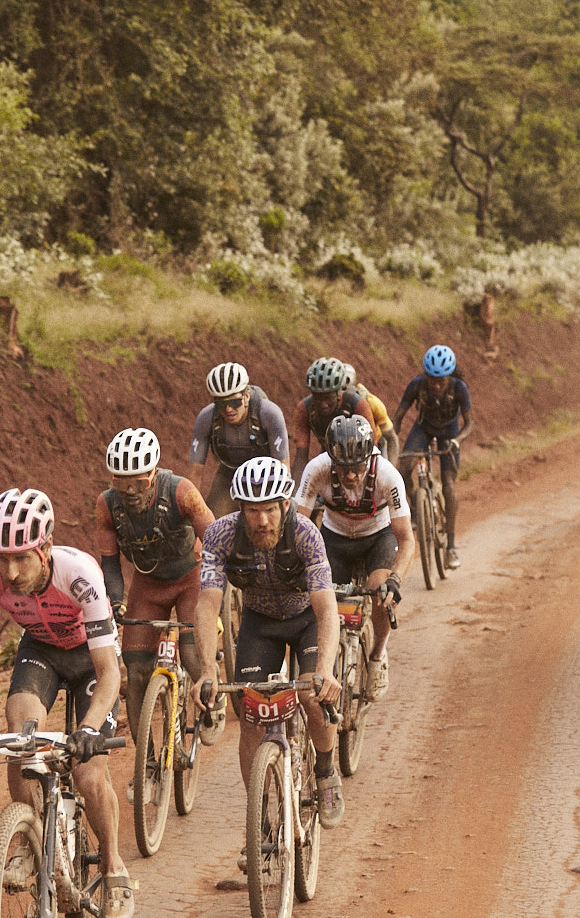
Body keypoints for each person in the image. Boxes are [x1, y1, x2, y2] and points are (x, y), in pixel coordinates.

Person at [0, 487, 135, 918]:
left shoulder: (80, 574)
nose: (10, 572)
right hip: (42, 652)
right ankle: (30, 838)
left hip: (91, 658)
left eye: (21, 558)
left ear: (45, 548)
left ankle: (113, 866)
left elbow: (109, 671)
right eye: (0, 558)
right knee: (20, 736)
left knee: (88, 773)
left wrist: (89, 730)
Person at [190, 457, 344, 830]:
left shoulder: (306, 534)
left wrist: (325, 669)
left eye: (270, 510)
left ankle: (326, 772)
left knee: (312, 695)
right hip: (260, 623)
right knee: (252, 715)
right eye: (253, 511)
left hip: (306, 619)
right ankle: (259, 822)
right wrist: (208, 669)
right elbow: (207, 604)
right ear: (240, 508)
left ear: (285, 505)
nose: (262, 520)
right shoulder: (221, 535)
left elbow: (327, 609)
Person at [94, 426, 213, 737]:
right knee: (135, 672)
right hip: (148, 586)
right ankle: (145, 759)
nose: (130, 490)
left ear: (154, 474)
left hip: (190, 578)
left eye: (139, 482)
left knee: (191, 655)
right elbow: (109, 562)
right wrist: (115, 600)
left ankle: (214, 701)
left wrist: (216, 589)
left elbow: (215, 541)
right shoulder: (106, 505)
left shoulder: (181, 491)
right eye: (121, 482)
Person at [296, 414, 414, 701]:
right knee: (319, 598)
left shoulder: (388, 476)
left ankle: (377, 656)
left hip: (378, 537)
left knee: (380, 592)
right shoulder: (317, 469)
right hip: (334, 538)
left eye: (357, 467)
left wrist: (396, 580)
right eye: (342, 468)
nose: (350, 476)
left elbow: (406, 539)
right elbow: (297, 526)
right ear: (331, 460)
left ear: (369, 459)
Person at [392, 344, 473, 569]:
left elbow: (470, 423)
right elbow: (398, 417)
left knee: (449, 486)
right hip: (423, 430)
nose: (436, 385)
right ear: (425, 375)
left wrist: (458, 440)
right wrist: (392, 439)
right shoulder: (417, 385)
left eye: (441, 380)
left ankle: (451, 548)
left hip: (450, 434)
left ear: (449, 377)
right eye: (431, 379)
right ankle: (416, 510)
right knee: (402, 470)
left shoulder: (459, 388)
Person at [187, 362, 291, 516]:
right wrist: (191, 513)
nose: (228, 409)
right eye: (221, 404)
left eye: (235, 402)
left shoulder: (269, 413)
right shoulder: (206, 418)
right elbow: (195, 472)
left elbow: (283, 467)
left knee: (275, 518)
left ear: (247, 396)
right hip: (230, 473)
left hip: (266, 475)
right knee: (213, 520)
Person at [290, 357, 376, 484]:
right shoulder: (304, 409)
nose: (323, 404)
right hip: (332, 451)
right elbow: (301, 456)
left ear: (339, 392)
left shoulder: (358, 404)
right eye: (317, 398)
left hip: (363, 452)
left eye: (328, 398)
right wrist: (295, 490)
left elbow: (371, 450)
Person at [340, 362, 399, 462]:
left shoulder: (373, 403)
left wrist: (390, 467)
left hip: (376, 443)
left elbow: (391, 437)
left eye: (344, 390)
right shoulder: (332, 406)